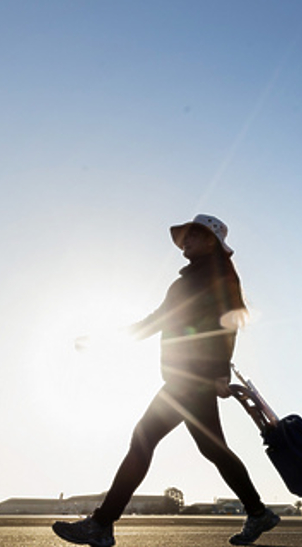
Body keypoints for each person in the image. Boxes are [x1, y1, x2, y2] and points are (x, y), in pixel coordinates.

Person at [53, 215, 279, 547]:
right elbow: (158, 320)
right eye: (184, 236)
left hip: (192, 379)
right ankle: (258, 513)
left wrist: (219, 371)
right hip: (186, 377)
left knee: (143, 439)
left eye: (193, 235)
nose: (185, 240)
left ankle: (101, 524)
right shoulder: (195, 277)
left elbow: (227, 324)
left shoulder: (213, 276)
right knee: (212, 449)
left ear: (211, 241)